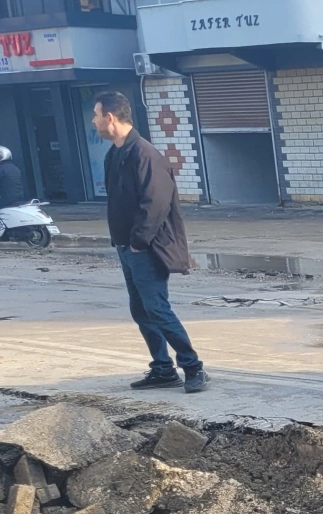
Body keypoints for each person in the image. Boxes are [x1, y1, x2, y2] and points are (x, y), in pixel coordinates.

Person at [93, 90, 206, 393]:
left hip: (146, 247)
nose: (94, 122)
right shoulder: (115, 154)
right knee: (141, 310)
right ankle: (162, 369)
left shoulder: (145, 154)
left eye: (96, 115)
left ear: (110, 117)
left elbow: (156, 204)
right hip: (126, 246)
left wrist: (138, 243)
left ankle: (193, 366)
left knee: (157, 308)